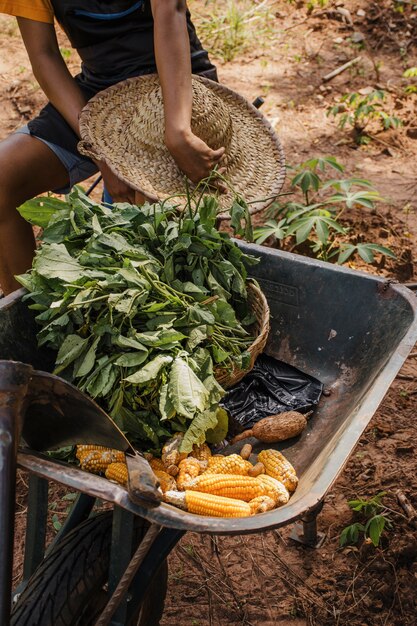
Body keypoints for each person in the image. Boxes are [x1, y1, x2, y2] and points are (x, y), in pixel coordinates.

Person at [0, 1, 225, 295]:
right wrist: (100, 150)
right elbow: (44, 55)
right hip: (99, 93)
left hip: (175, 88)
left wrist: (178, 134)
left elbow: (171, 12)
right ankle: (25, 323)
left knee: (151, 234)